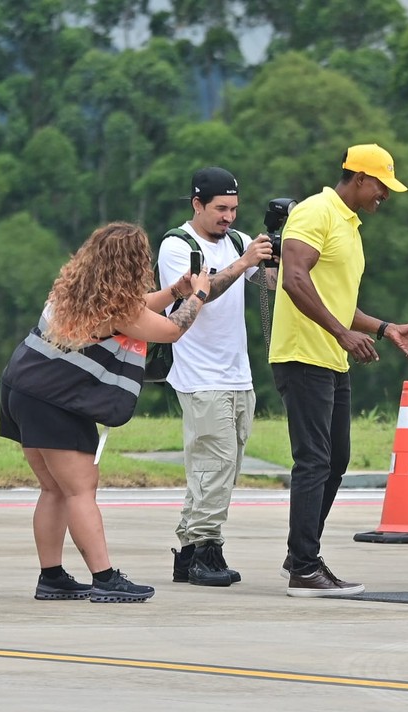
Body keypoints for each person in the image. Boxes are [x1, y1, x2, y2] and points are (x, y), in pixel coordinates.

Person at [0, 221, 211, 603]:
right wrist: (197, 296)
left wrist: (173, 292)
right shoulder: (116, 308)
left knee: (54, 488)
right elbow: (169, 330)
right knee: (81, 490)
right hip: (54, 402)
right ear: (133, 263)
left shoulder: (76, 290)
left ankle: (52, 577)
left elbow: (137, 309)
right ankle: (105, 577)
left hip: (21, 389)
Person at [270, 144, 408, 598]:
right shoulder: (316, 212)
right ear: (357, 178)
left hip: (329, 355)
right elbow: (294, 278)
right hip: (303, 354)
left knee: (336, 460)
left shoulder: (349, 226)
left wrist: (384, 327)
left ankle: (302, 557)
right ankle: (304, 569)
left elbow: (336, 300)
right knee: (314, 460)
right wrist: (340, 333)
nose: (384, 196)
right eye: (381, 186)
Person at [158, 167, 276, 588]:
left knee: (220, 467)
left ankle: (188, 553)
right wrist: (243, 262)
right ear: (197, 204)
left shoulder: (240, 241)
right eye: (220, 209)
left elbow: (270, 283)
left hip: (237, 373)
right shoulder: (178, 245)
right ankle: (208, 550)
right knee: (216, 463)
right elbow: (201, 294)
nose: (228, 217)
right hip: (199, 375)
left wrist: (277, 254)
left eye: (234, 209)